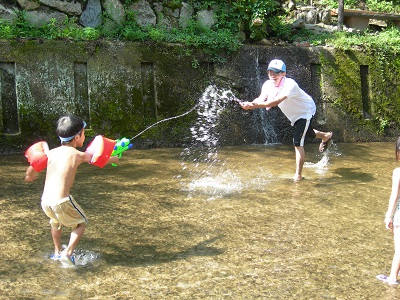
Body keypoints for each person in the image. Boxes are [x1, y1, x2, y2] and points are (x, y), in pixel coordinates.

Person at [25, 114, 118, 266]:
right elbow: (98, 160)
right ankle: (68, 253)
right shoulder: (78, 154)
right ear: (77, 137)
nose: (84, 136)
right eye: (84, 133)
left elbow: (32, 171)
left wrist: (29, 175)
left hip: (46, 201)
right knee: (81, 223)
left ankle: (56, 252)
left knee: (55, 222)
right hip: (62, 201)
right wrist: (115, 158)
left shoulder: (51, 153)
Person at [240, 59, 333, 182]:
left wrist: (255, 106)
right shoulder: (267, 85)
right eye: (270, 72)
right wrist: (251, 103)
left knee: (297, 141)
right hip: (294, 115)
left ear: (283, 74)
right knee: (308, 133)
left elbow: (275, 102)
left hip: (305, 111)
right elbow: (261, 98)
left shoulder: (290, 84)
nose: (273, 75)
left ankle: (298, 175)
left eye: (277, 72)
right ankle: (326, 136)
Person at [376, 137, 400, 285]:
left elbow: (395, 196)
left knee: (399, 247)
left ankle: (392, 278)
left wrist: (388, 216)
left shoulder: (398, 172)